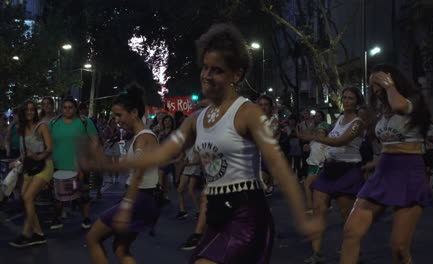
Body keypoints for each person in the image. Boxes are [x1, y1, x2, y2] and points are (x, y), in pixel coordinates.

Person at [81, 23, 313, 264]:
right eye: (205, 68)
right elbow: (160, 155)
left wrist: (302, 216)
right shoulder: (196, 120)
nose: (206, 75)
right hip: (215, 215)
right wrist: (108, 163)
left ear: (237, 74)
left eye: (217, 70)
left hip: (245, 216)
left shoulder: (248, 113)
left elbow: (277, 165)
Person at [340, 64, 433, 264]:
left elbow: (401, 107)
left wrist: (389, 85)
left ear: (391, 80)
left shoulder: (412, 101)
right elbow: (389, 145)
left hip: (409, 172)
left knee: (399, 248)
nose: (375, 89)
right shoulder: (384, 109)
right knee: (351, 231)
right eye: (373, 85)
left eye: (378, 83)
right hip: (383, 173)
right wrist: (375, 163)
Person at [86, 87, 161, 264]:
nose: (117, 121)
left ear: (134, 112)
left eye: (119, 115)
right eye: (115, 116)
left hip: (138, 199)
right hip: (143, 199)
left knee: (92, 238)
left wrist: (126, 207)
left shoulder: (144, 138)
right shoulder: (140, 137)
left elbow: (138, 175)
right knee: (120, 249)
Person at [299, 87, 365, 263]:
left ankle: (354, 251)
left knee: (346, 215)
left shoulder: (358, 123)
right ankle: (317, 254)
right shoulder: (340, 119)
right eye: (344, 97)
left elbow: (340, 141)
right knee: (318, 209)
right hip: (329, 170)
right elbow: (330, 139)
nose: (346, 100)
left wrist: (313, 138)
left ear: (357, 102)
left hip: (348, 170)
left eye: (351, 98)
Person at [9, 100, 54, 247]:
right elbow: (24, 154)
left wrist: (38, 156)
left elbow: (49, 148)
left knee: (28, 197)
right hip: (29, 167)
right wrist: (16, 162)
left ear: (36, 111)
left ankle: (31, 234)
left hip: (44, 166)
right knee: (25, 199)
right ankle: (33, 234)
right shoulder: (22, 129)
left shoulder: (42, 126)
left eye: (32, 110)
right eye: (27, 110)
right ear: (23, 112)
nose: (30, 112)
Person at [49, 97, 99, 229]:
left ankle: (86, 217)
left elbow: (94, 140)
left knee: (83, 194)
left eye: (70, 107)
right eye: (65, 107)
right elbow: (44, 140)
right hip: (57, 164)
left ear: (75, 108)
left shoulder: (84, 122)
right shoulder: (54, 123)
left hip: (81, 165)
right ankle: (57, 218)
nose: (67, 110)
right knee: (57, 195)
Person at [303, 123, 328, 212]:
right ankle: (324, 205)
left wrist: (322, 164)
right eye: (318, 132)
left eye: (322, 132)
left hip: (317, 167)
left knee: (307, 185)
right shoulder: (313, 141)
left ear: (326, 134)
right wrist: (306, 147)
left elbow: (328, 156)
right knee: (316, 187)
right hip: (311, 166)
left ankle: (310, 207)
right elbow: (309, 150)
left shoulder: (326, 143)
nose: (320, 134)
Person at [257, 95, 279, 195]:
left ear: (270, 107)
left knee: (262, 181)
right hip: (255, 154)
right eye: (260, 104)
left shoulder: (274, 121)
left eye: (266, 105)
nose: (263, 107)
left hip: (268, 156)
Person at [176, 146, 201, 219]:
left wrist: (185, 164)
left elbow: (198, 161)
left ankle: (199, 211)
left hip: (195, 168)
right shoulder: (186, 146)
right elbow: (181, 159)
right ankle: (182, 211)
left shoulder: (196, 146)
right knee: (180, 190)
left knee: (191, 190)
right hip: (187, 168)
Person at [104, 118, 121, 184]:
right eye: (112, 122)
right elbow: (105, 137)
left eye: (114, 123)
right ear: (110, 123)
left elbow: (119, 138)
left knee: (116, 163)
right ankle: (110, 178)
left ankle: (116, 178)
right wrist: (111, 137)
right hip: (109, 145)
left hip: (115, 145)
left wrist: (115, 138)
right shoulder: (107, 129)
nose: (113, 124)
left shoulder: (117, 129)